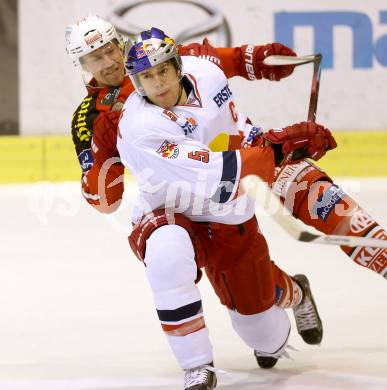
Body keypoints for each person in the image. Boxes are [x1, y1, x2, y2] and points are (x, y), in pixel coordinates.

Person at [66, 16, 386, 281]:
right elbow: (105, 201)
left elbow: (221, 60)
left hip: (250, 155)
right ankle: (293, 294)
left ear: (120, 44)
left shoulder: (159, 59)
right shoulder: (91, 118)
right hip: (197, 198)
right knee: (249, 290)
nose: (109, 62)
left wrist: (257, 60)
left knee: (326, 203)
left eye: (110, 50)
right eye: (96, 57)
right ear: (81, 64)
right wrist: (103, 149)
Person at [114, 26, 335, 389]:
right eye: (146, 76)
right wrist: (279, 149)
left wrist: (280, 140)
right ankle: (197, 366)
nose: (157, 83)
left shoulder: (208, 74)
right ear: (136, 82)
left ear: (177, 65)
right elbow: (217, 176)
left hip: (228, 214)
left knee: (267, 338)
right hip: (169, 209)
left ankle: (295, 291)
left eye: (163, 70)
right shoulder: (143, 128)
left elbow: (237, 130)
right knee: (167, 255)